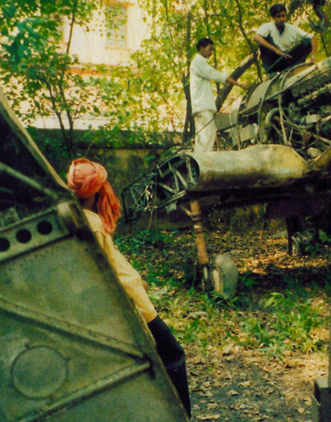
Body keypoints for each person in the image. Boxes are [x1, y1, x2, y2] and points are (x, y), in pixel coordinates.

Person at [66, 158, 192, 417]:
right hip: (135, 305)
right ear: (99, 191)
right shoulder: (94, 223)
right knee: (173, 355)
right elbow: (107, 275)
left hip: (121, 300)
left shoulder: (74, 218)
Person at [190, 37, 249, 153]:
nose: (211, 53)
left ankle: (202, 161)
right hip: (202, 106)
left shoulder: (200, 62)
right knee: (206, 137)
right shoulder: (198, 62)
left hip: (203, 106)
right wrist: (239, 83)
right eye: (209, 49)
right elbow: (216, 75)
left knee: (207, 136)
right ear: (202, 48)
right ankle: (202, 162)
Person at [254, 3, 318, 74]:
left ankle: (295, 65)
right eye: (278, 17)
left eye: (283, 16)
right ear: (273, 18)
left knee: (307, 42)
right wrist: (275, 50)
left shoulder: (292, 28)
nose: (282, 19)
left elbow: (313, 37)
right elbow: (256, 37)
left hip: (285, 58)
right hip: (273, 60)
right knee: (264, 41)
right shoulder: (267, 27)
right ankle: (271, 72)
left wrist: (313, 57)